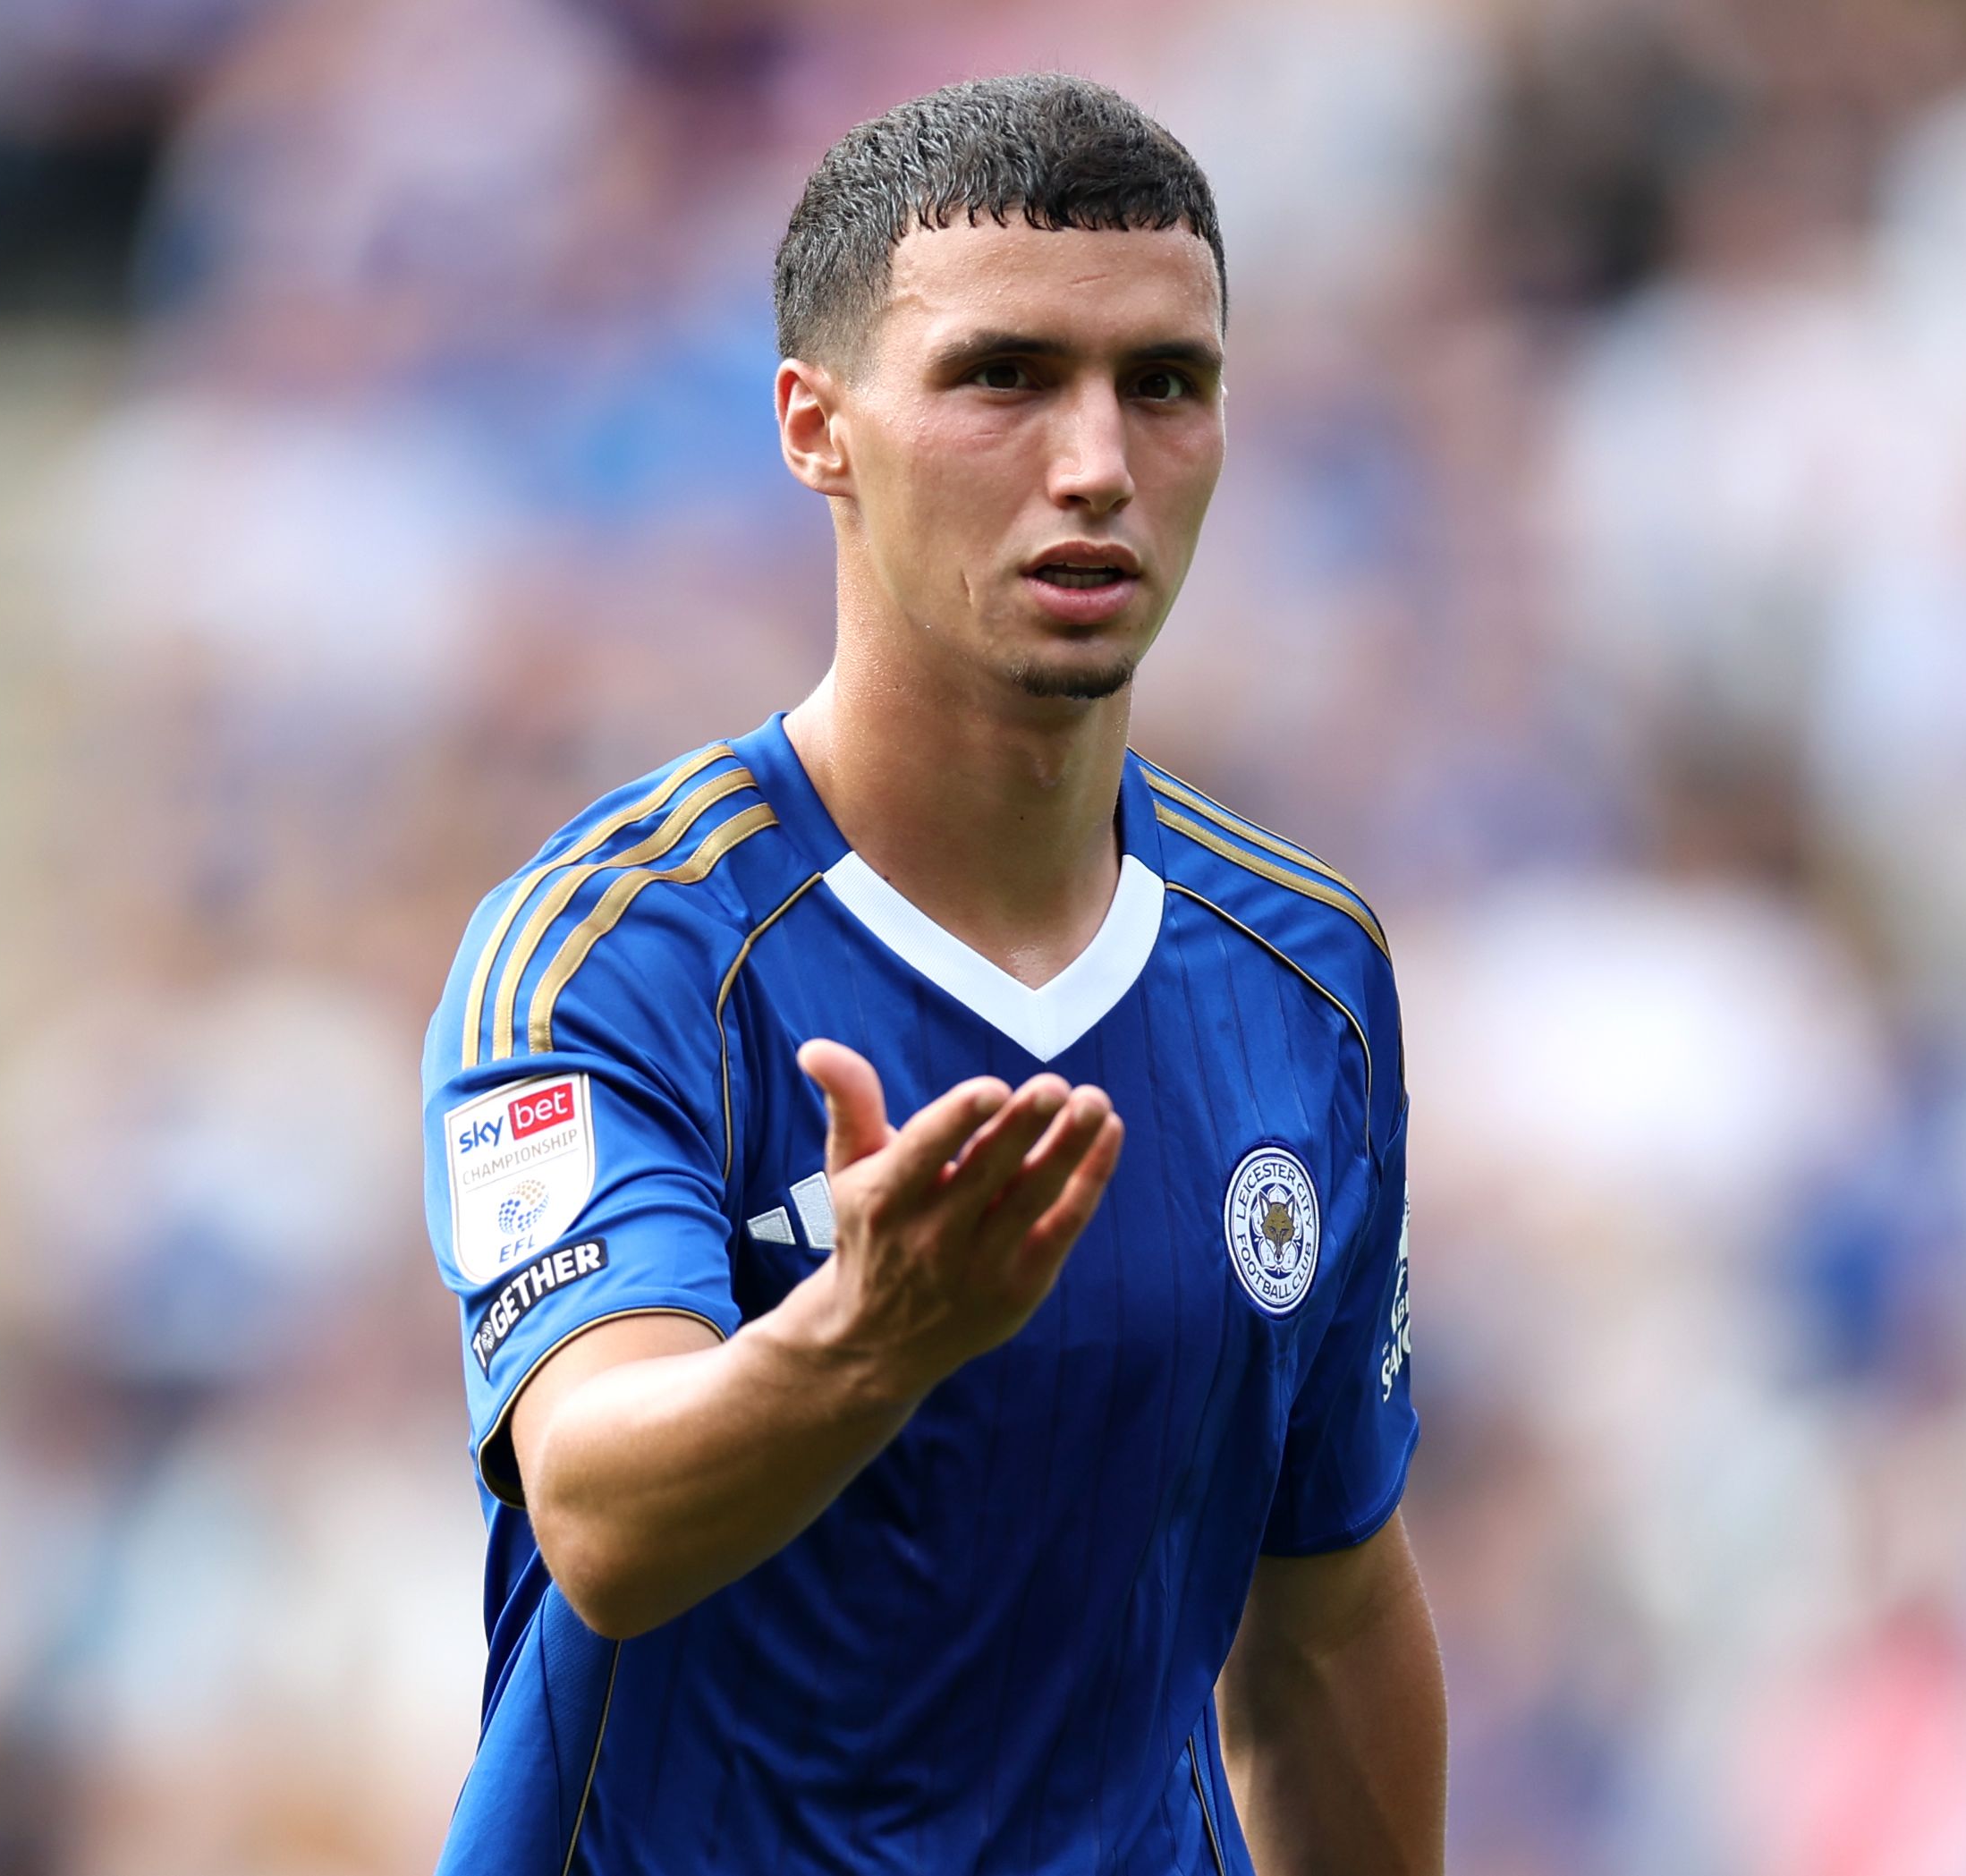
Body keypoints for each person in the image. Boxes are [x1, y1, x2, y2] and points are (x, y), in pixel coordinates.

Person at [420, 73, 1444, 1875]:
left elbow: (1327, 1614)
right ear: (816, 429)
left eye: (1164, 384)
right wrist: (865, 1337)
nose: (1096, 462)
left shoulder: (1304, 979)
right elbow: (602, 1513)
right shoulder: (610, 960)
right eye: (1004, 376)